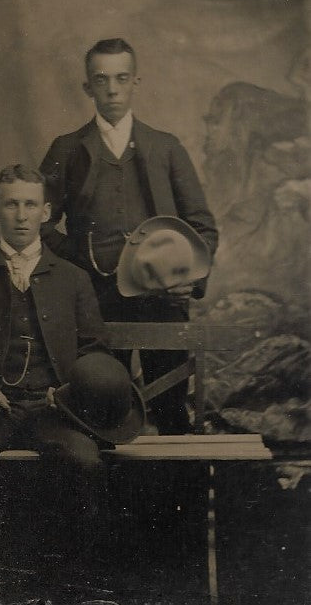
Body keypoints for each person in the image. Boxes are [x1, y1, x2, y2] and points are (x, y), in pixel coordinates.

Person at [0, 163, 143, 559]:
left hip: (56, 411)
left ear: (46, 212)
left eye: (31, 204)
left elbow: (96, 350)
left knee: (82, 461)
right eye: (11, 204)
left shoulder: (73, 278)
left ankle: (70, 576)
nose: (21, 214)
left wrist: (68, 393)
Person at [40, 38, 218, 434]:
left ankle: (177, 498)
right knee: (100, 413)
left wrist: (188, 280)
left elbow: (203, 225)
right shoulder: (67, 148)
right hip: (93, 304)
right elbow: (40, 221)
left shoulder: (165, 147)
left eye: (122, 78)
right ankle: (104, 497)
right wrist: (77, 264)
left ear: (136, 81)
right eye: (101, 80)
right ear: (88, 87)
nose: (112, 89)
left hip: (162, 302)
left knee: (172, 411)